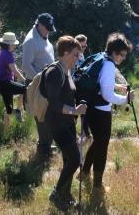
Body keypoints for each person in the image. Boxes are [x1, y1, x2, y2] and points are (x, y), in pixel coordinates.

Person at [81, 32, 135, 192]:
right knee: (102, 147)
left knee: (97, 141)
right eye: (123, 54)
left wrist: (117, 86)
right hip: (101, 112)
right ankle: (98, 185)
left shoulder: (102, 57)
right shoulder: (110, 66)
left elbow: (101, 84)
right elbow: (107, 95)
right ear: (115, 52)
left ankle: (84, 173)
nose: (124, 58)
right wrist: (126, 99)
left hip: (92, 108)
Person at [45, 36, 87, 211]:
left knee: (68, 159)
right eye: (76, 54)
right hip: (56, 123)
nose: (78, 58)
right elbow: (54, 104)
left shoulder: (68, 70)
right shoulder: (54, 72)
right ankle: (56, 194)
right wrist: (75, 110)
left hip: (68, 122)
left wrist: (78, 106)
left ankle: (65, 194)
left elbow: (68, 96)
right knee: (76, 159)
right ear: (65, 53)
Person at [22, 13, 56, 156]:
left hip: (47, 82)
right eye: (46, 28)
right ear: (39, 25)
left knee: (49, 115)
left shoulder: (43, 36)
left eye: (49, 28)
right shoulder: (30, 41)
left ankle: (47, 143)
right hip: (37, 83)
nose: (48, 31)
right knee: (41, 115)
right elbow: (26, 66)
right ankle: (43, 149)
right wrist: (41, 80)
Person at [0, 32, 26, 126]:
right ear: (9, 44)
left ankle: (5, 131)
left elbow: (9, 67)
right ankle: (18, 111)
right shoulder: (8, 55)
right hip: (6, 83)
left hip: (1, 82)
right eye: (13, 44)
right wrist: (25, 80)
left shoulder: (1, 52)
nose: (14, 46)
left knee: (8, 108)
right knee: (25, 89)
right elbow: (15, 71)